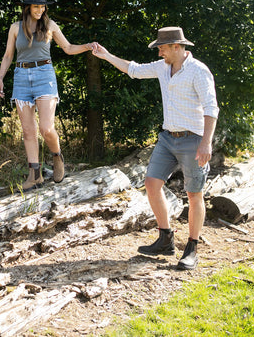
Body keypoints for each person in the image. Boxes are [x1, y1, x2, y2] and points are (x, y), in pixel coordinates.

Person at [92, 26, 218, 270]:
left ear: (177, 47)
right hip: (167, 138)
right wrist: (107, 56)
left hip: (193, 140)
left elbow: (211, 108)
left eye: (162, 47)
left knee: (194, 194)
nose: (159, 52)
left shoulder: (199, 71)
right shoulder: (163, 67)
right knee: (151, 183)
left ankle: (191, 248)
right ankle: (165, 238)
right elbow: (134, 70)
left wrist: (206, 143)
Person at [0, 0, 95, 190]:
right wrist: (0, 79)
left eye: (42, 6)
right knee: (28, 131)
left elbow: (68, 48)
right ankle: (35, 176)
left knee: (46, 128)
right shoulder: (15, 28)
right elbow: (7, 56)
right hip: (21, 76)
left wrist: (88, 46)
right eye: (36, 6)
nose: (40, 10)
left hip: (44, 76)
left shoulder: (50, 25)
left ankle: (57, 156)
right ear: (27, 7)